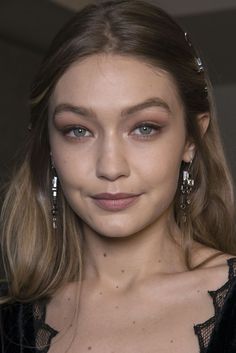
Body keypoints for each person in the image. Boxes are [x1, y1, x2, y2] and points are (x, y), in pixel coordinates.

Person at [0, 0, 236, 352]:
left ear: (191, 139)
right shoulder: (10, 322)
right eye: (78, 131)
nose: (110, 167)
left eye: (144, 128)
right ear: (48, 144)